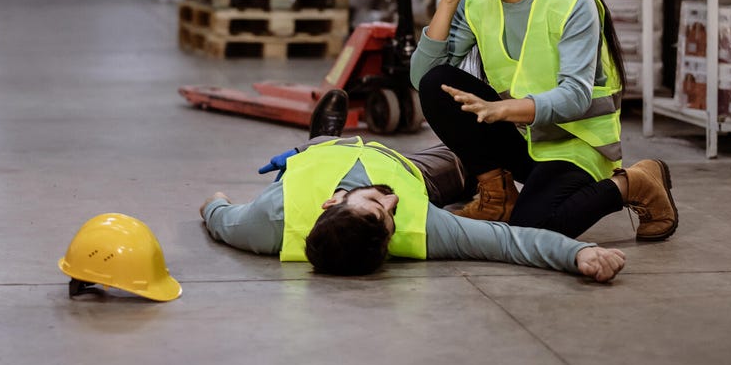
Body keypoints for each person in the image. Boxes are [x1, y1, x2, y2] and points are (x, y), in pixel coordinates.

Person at [410, 0, 678, 241]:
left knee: (536, 228)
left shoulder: (571, 2)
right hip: (527, 137)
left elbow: (575, 96)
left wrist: (501, 110)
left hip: (577, 145)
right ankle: (496, 195)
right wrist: (448, 4)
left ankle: (633, 182)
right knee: (436, 83)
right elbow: (421, 78)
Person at [199, 89, 627, 281]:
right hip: (407, 166)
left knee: (321, 146)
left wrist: (214, 203)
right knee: (463, 159)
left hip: (326, 157)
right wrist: (579, 253)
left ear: (332, 203)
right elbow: (508, 242)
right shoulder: (422, 227)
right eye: (391, 217)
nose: (394, 202)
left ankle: (321, 137)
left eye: (376, 204)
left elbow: (220, 218)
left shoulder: (265, 221)